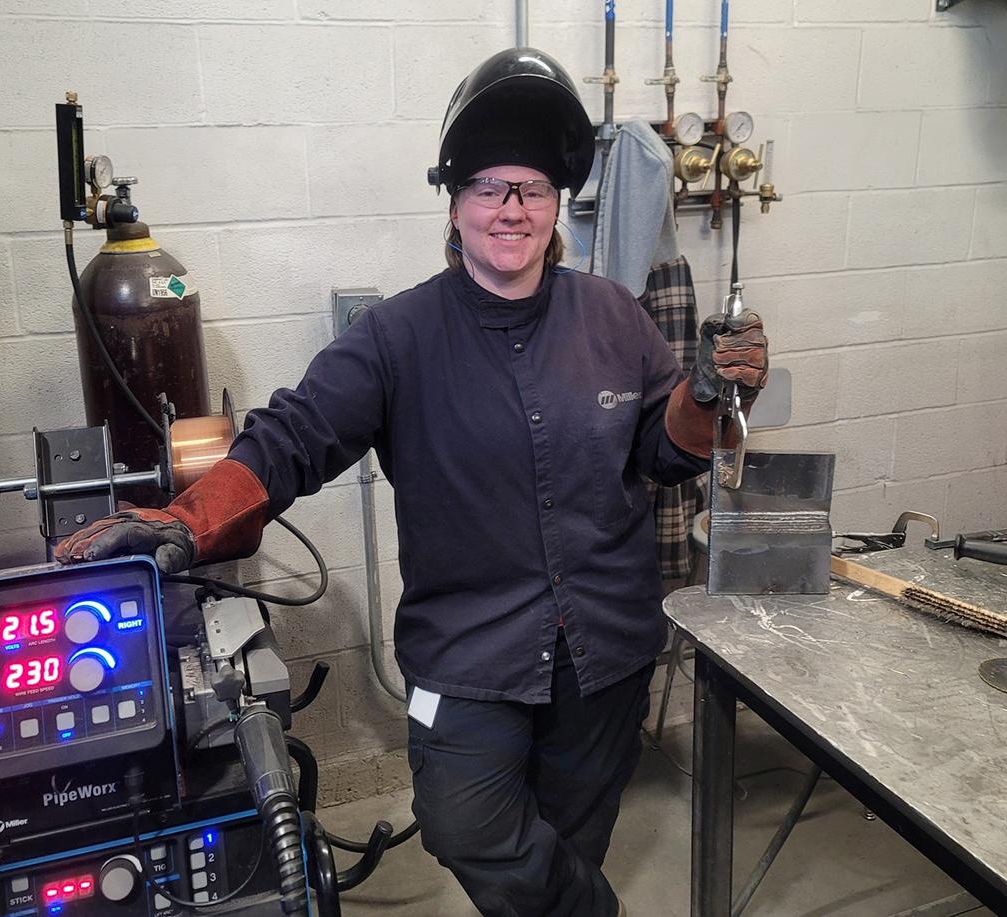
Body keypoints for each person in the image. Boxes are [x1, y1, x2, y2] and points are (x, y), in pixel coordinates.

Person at [56, 48, 768, 917]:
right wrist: (188, 519)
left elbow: (669, 450)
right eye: (489, 187)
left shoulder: (614, 317)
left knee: (569, 842)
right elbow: (291, 437)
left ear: (556, 204)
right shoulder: (398, 337)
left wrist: (707, 396)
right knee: (466, 823)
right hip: (469, 653)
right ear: (454, 200)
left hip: (606, 652)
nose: (511, 208)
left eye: (532, 188)